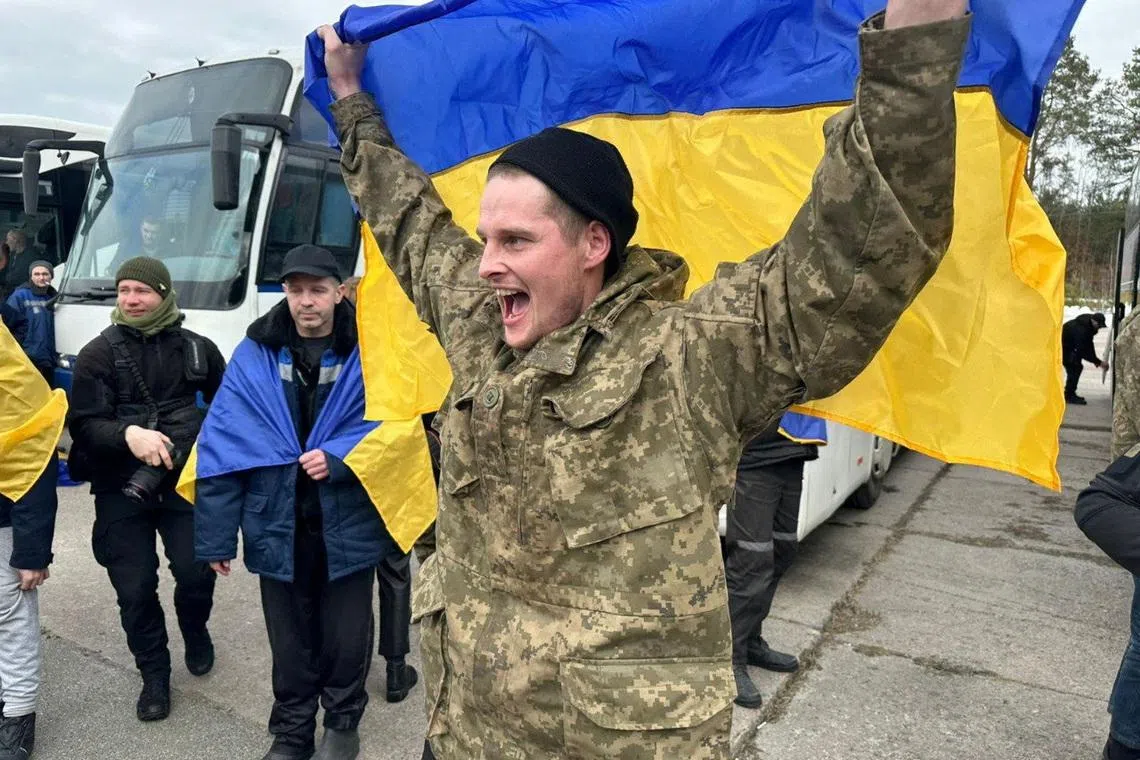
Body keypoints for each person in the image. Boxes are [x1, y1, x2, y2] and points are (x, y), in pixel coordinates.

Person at [320, 0, 970, 756]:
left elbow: (855, 250)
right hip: (466, 734)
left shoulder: (689, 357)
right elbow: (414, 225)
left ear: (594, 242)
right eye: (487, 236)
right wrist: (350, 103)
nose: (486, 262)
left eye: (516, 239)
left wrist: (914, 42)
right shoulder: (487, 331)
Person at [195, 244, 405, 760]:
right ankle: (291, 731)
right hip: (276, 521)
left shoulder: (374, 350)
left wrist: (340, 459)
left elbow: (398, 431)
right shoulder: (255, 353)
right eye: (295, 290)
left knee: (345, 635)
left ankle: (342, 723)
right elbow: (226, 446)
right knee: (289, 640)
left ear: (339, 291)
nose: (306, 302)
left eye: (317, 290)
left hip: (350, 522)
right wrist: (218, 536)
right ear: (284, 292)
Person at [66, 257, 226, 722]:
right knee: (135, 589)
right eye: (123, 290)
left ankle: (195, 630)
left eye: (142, 290)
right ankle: (154, 674)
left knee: (197, 575)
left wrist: (199, 439)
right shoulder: (98, 353)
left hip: (182, 487)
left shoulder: (198, 349)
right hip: (120, 487)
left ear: (163, 293)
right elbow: (84, 424)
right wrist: (129, 436)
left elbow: (231, 409)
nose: (131, 300)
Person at [338, 273, 420, 705]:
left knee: (352, 579)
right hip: (395, 469)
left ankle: (350, 672)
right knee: (394, 571)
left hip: (350, 472)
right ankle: (394, 669)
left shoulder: (338, 349)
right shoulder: (398, 345)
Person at [725, 412, 824, 708]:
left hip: (795, 447)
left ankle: (751, 641)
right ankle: (729, 659)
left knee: (782, 551)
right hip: (755, 454)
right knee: (750, 562)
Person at [0, 316, 60, 760]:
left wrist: (32, 552)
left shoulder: (16, 383)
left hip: (5, 525)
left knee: (11, 621)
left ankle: (17, 718)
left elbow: (36, 466)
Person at [6, 261, 58, 386]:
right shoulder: (19, 296)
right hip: (27, 358)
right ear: (31, 277)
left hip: (48, 359)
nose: (41, 277)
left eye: (45, 274)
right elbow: (8, 327)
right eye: (37, 274)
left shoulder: (55, 297)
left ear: (51, 277)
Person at [1062, 311, 1108, 405]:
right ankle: (1069, 395)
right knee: (1074, 368)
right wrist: (1098, 362)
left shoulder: (1088, 325)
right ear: (1093, 321)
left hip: (1072, 347)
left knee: (1077, 367)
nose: (1099, 328)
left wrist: (1095, 359)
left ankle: (1070, 393)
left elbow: (1089, 345)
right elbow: (1082, 350)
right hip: (1066, 348)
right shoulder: (1082, 330)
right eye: (1098, 326)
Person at [1, 231, 49, 301]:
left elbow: (18, 276)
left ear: (16, 241)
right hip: (11, 292)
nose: (6, 242)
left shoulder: (31, 256)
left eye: (8, 239)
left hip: (23, 295)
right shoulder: (12, 255)